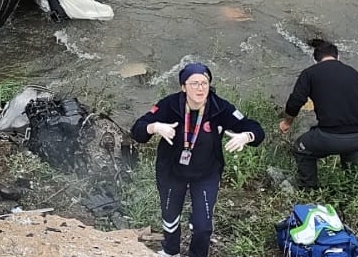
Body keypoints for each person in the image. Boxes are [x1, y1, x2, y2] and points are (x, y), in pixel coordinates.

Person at [131, 63, 265, 257]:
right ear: (183, 87)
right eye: (194, 83)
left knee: (203, 226)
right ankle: (170, 251)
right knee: (170, 216)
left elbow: (255, 128)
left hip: (206, 173)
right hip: (172, 171)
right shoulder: (169, 105)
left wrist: (246, 136)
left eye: (204, 83)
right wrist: (155, 127)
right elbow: (138, 129)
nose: (200, 88)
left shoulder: (220, 107)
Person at [279, 38, 358, 189]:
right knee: (351, 153)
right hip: (356, 137)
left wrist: (287, 122)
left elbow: (295, 101)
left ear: (315, 60)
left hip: (328, 137)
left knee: (301, 149)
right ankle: (351, 188)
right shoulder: (353, 73)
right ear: (337, 57)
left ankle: (310, 189)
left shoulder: (310, 73)